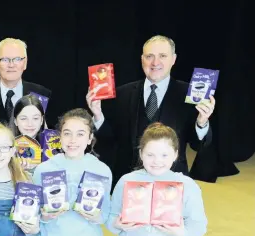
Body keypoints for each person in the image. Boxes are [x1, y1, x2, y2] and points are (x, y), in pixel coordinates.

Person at [87, 35, 215, 188]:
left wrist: (202, 122)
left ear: (173, 59)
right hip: (127, 179)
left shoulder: (191, 95)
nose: (155, 62)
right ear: (142, 59)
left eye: (162, 56)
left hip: (171, 181)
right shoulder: (122, 94)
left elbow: (198, 145)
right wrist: (97, 114)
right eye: (149, 56)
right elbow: (110, 140)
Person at [107, 123, 207, 236]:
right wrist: (117, 224)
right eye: (150, 155)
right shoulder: (126, 180)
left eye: (164, 155)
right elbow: (111, 216)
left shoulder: (187, 185)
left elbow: (198, 224)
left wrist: (182, 233)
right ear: (141, 154)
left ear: (175, 154)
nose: (157, 161)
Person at [33, 109, 112, 236]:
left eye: (80, 134)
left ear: (90, 139)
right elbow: (34, 214)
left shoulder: (101, 170)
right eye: (67, 133)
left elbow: (105, 215)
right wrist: (44, 216)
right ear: (59, 137)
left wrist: (94, 216)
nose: (73, 140)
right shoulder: (44, 169)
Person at [0, 38, 52, 126]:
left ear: (25, 63)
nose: (11, 65)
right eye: (5, 59)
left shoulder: (41, 95)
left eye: (17, 59)